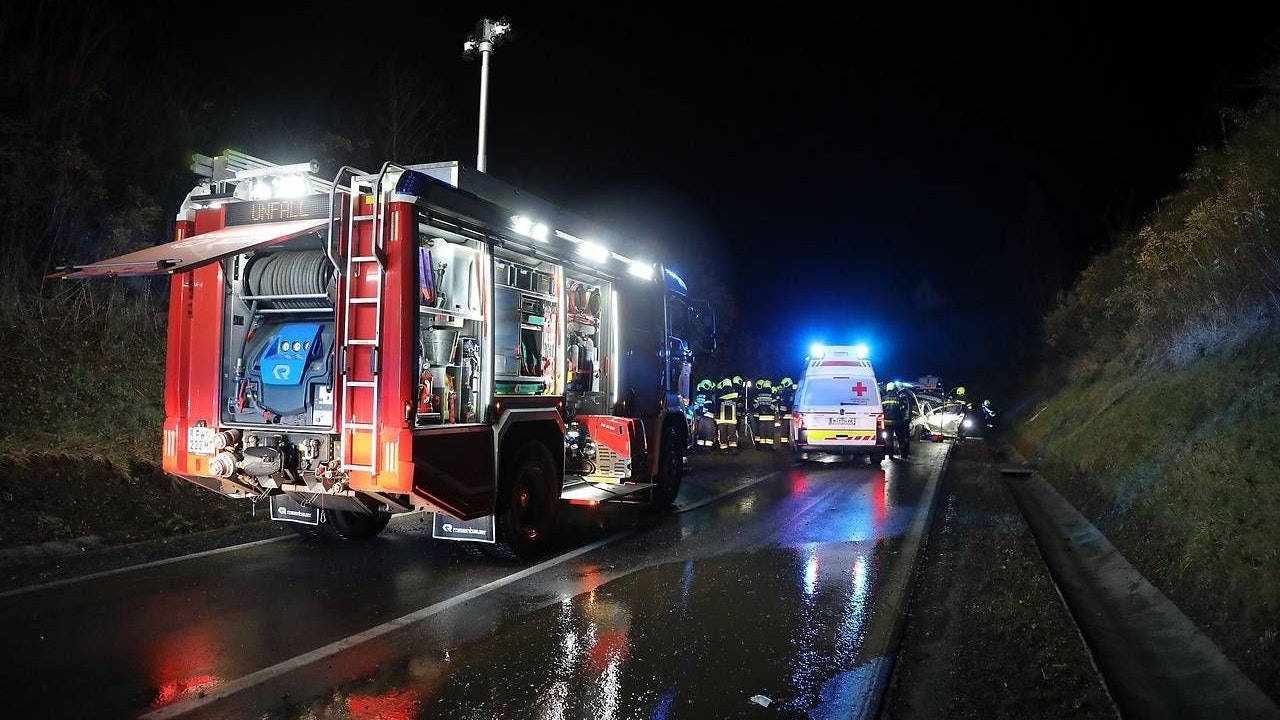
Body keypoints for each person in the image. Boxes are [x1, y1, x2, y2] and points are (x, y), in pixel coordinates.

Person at [881, 381, 911, 459]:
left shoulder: (883, 399)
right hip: (898, 422)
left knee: (889, 440)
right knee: (901, 439)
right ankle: (903, 455)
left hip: (887, 423)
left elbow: (881, 410)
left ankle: (890, 456)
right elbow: (903, 409)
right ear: (895, 388)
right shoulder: (899, 398)